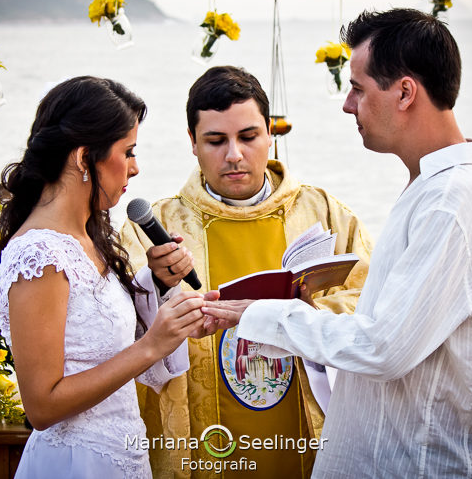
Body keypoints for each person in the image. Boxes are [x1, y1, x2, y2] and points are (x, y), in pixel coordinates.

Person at [201, 9, 472, 478]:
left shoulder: (452, 198)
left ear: (405, 92)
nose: (348, 104)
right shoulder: (432, 188)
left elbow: (384, 348)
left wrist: (258, 314)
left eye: (359, 88)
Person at [120, 66, 374, 478]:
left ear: (270, 133)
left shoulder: (324, 214)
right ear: (192, 142)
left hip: (303, 438)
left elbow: (373, 306)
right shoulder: (153, 229)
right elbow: (114, 331)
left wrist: (308, 311)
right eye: (216, 141)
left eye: (249, 137)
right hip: (202, 444)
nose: (234, 155)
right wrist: (157, 286)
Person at [0, 77, 212, 479]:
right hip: (75, 463)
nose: (135, 166)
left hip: (121, 456)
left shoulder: (87, 236)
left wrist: (156, 283)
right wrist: (150, 347)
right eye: (127, 151)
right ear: (83, 158)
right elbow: (41, 406)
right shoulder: (39, 256)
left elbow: (95, 333)